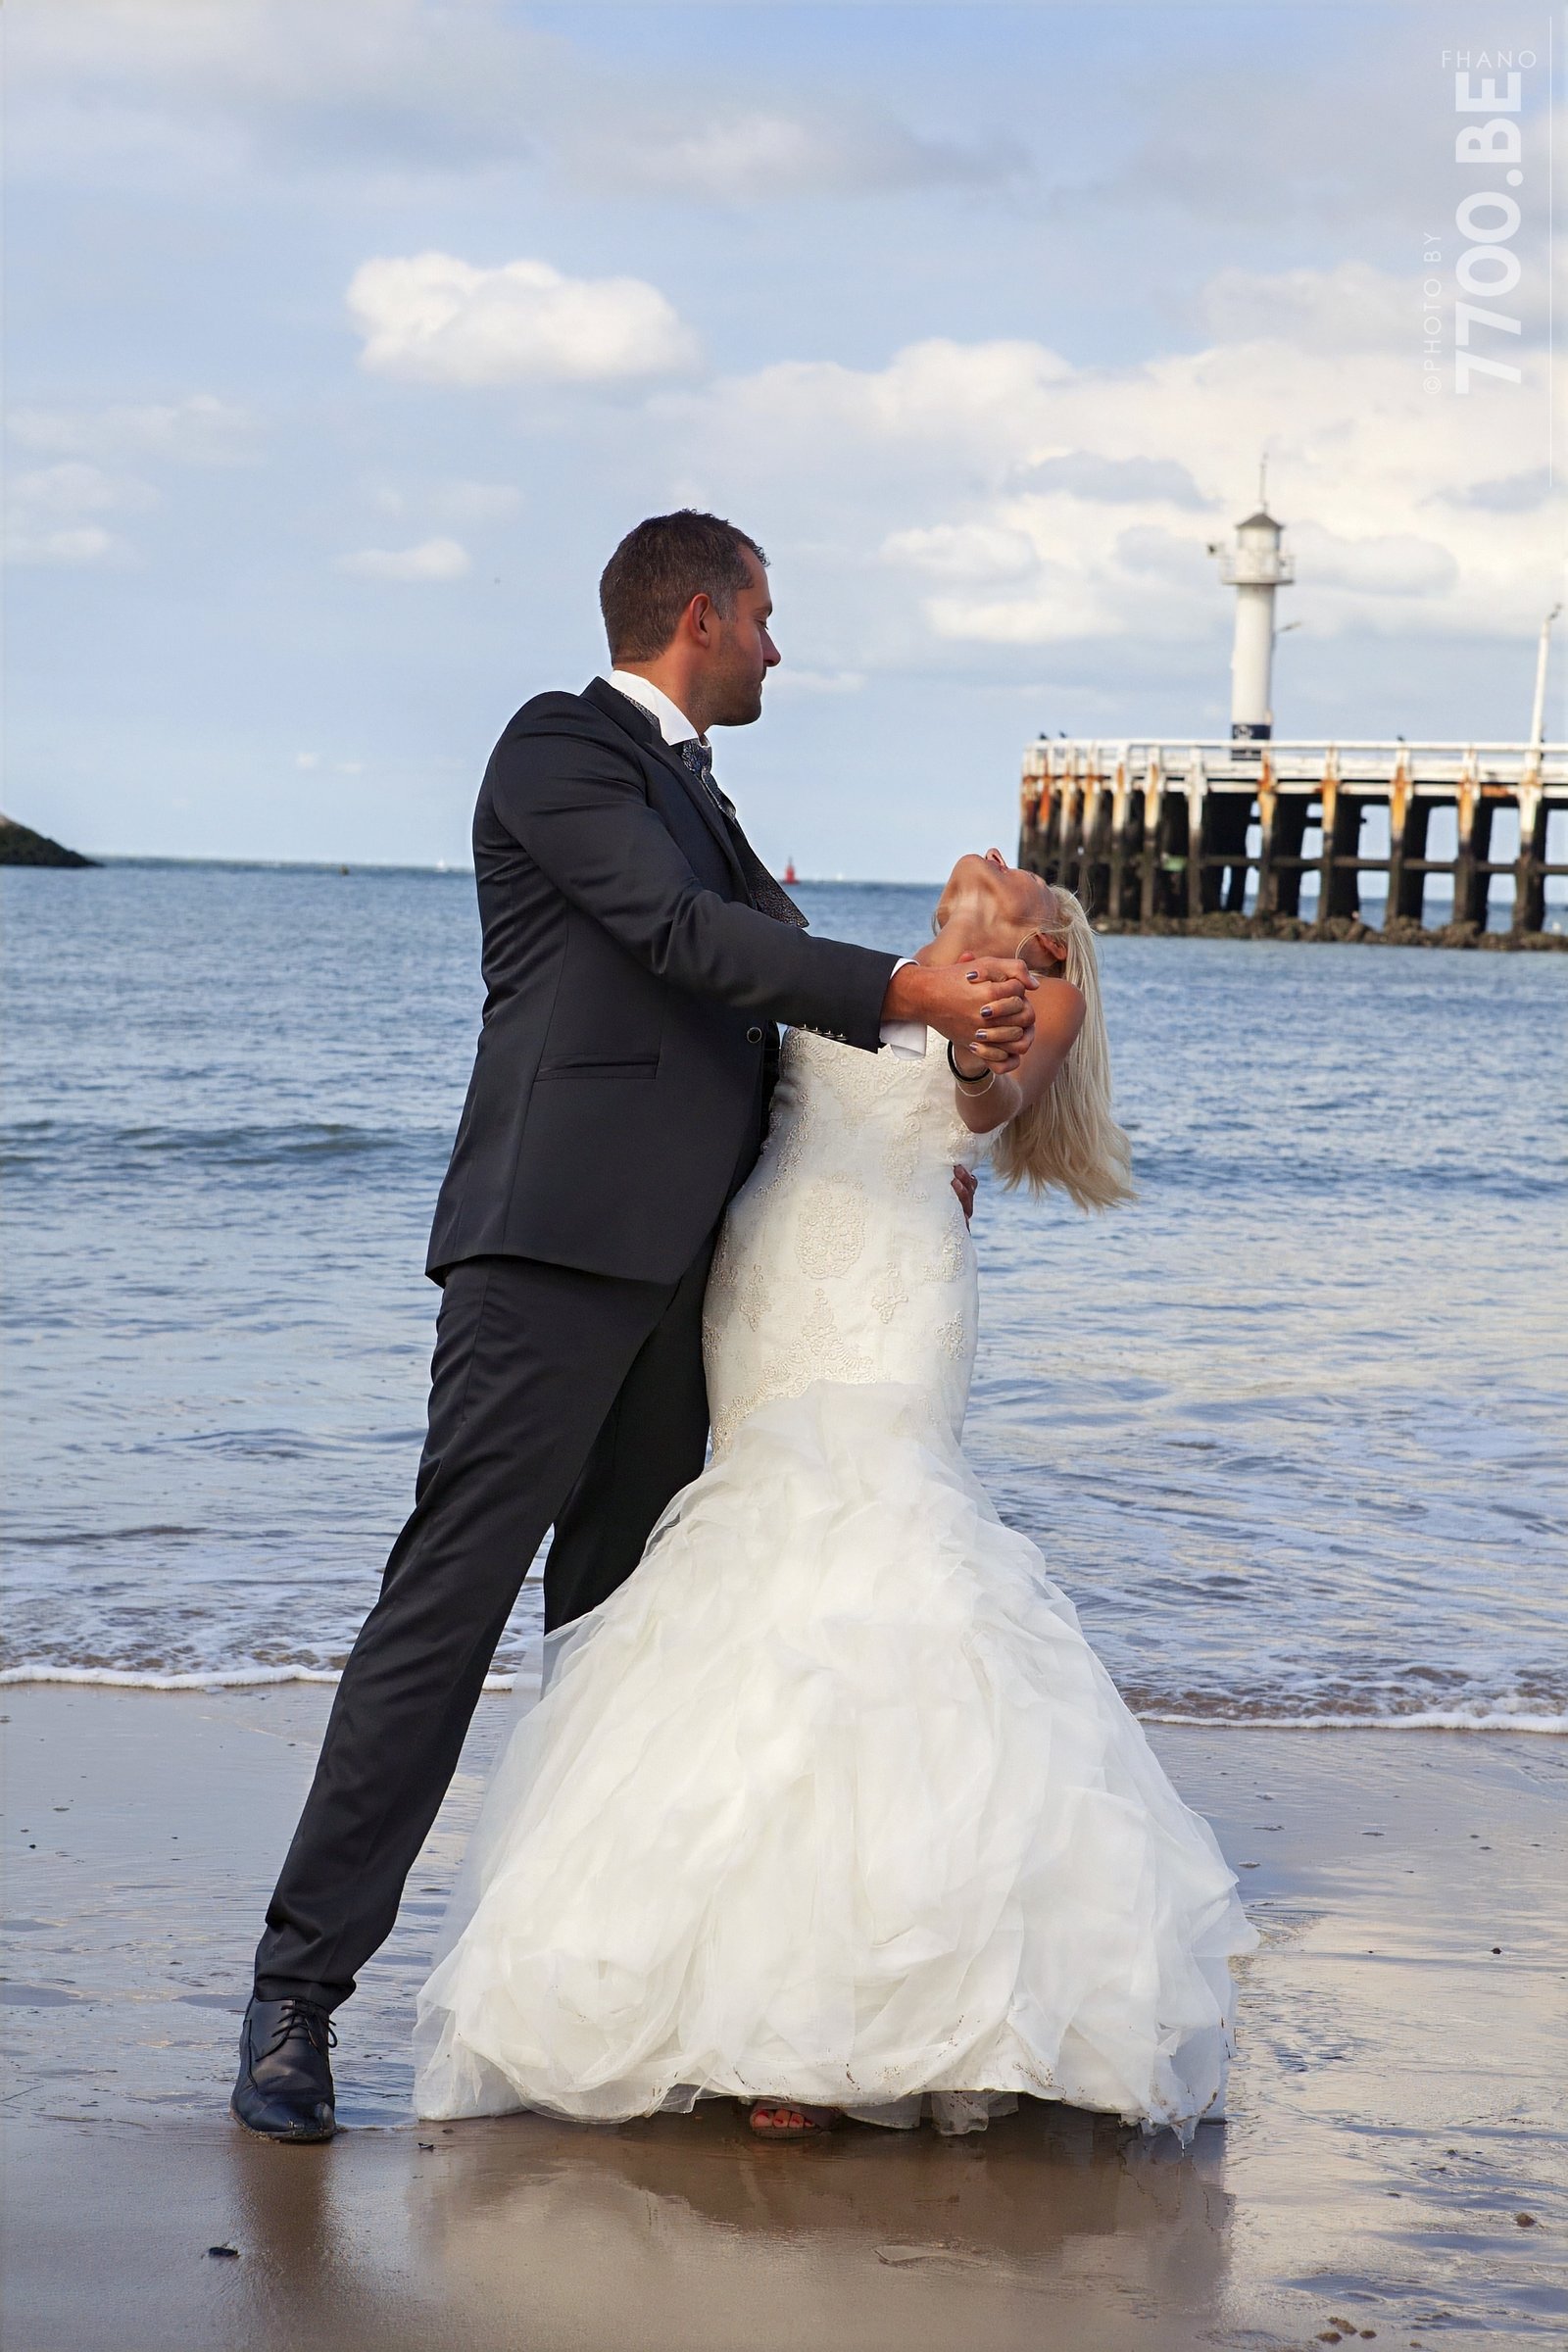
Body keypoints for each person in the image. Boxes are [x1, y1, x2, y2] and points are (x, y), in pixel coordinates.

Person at [233, 511, 1040, 2141]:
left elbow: (766, 987)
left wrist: (913, 1131)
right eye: (766, 614)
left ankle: (584, 1995)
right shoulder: (561, 747)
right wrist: (904, 989)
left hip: (693, 1291)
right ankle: (294, 1999)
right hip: (550, 1251)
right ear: (700, 615)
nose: (778, 646)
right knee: (447, 1609)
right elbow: (685, 941)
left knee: (621, 1642)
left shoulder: (708, 804)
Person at [413, 854, 1257, 2142]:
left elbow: (990, 1103)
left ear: (1043, 938)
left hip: (895, 1293)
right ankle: (741, 1991)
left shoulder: (1042, 992)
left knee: (886, 1558)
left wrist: (969, 1058)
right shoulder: (863, 972)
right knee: (753, 1564)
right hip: (766, 1276)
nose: (1000, 856)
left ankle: (877, 2005)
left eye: (1027, 873)